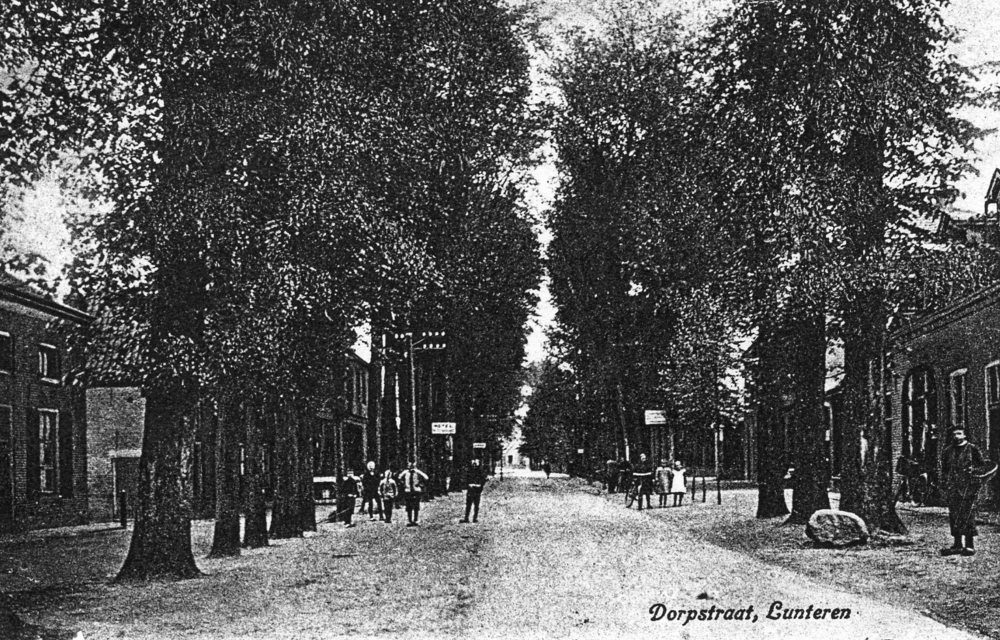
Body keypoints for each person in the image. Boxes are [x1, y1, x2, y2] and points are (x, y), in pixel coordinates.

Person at [940, 426, 986, 556]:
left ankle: (969, 545)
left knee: (968, 515)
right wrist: (945, 483)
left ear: (964, 435)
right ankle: (957, 544)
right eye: (954, 434)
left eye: (959, 433)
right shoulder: (947, 451)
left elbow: (982, 466)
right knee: (954, 515)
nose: (956, 436)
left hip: (968, 487)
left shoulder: (972, 449)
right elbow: (944, 470)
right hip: (953, 488)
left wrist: (973, 471)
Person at [398, 460, 429, 527]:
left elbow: (426, 477)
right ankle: (409, 520)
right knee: (408, 506)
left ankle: (415, 520)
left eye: (412, 466)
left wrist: (421, 484)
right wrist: (403, 484)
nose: (411, 467)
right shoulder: (405, 472)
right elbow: (399, 478)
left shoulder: (417, 472)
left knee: (416, 506)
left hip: (416, 491)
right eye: (410, 465)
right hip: (408, 491)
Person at [460, 458, 489, 523]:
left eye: (476, 463)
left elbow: (484, 479)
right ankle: (467, 518)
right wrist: (468, 485)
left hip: (477, 490)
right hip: (471, 489)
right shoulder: (470, 471)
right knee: (469, 504)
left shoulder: (480, 471)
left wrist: (480, 485)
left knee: (476, 504)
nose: (474, 465)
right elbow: (466, 479)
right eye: (473, 463)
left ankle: (474, 518)